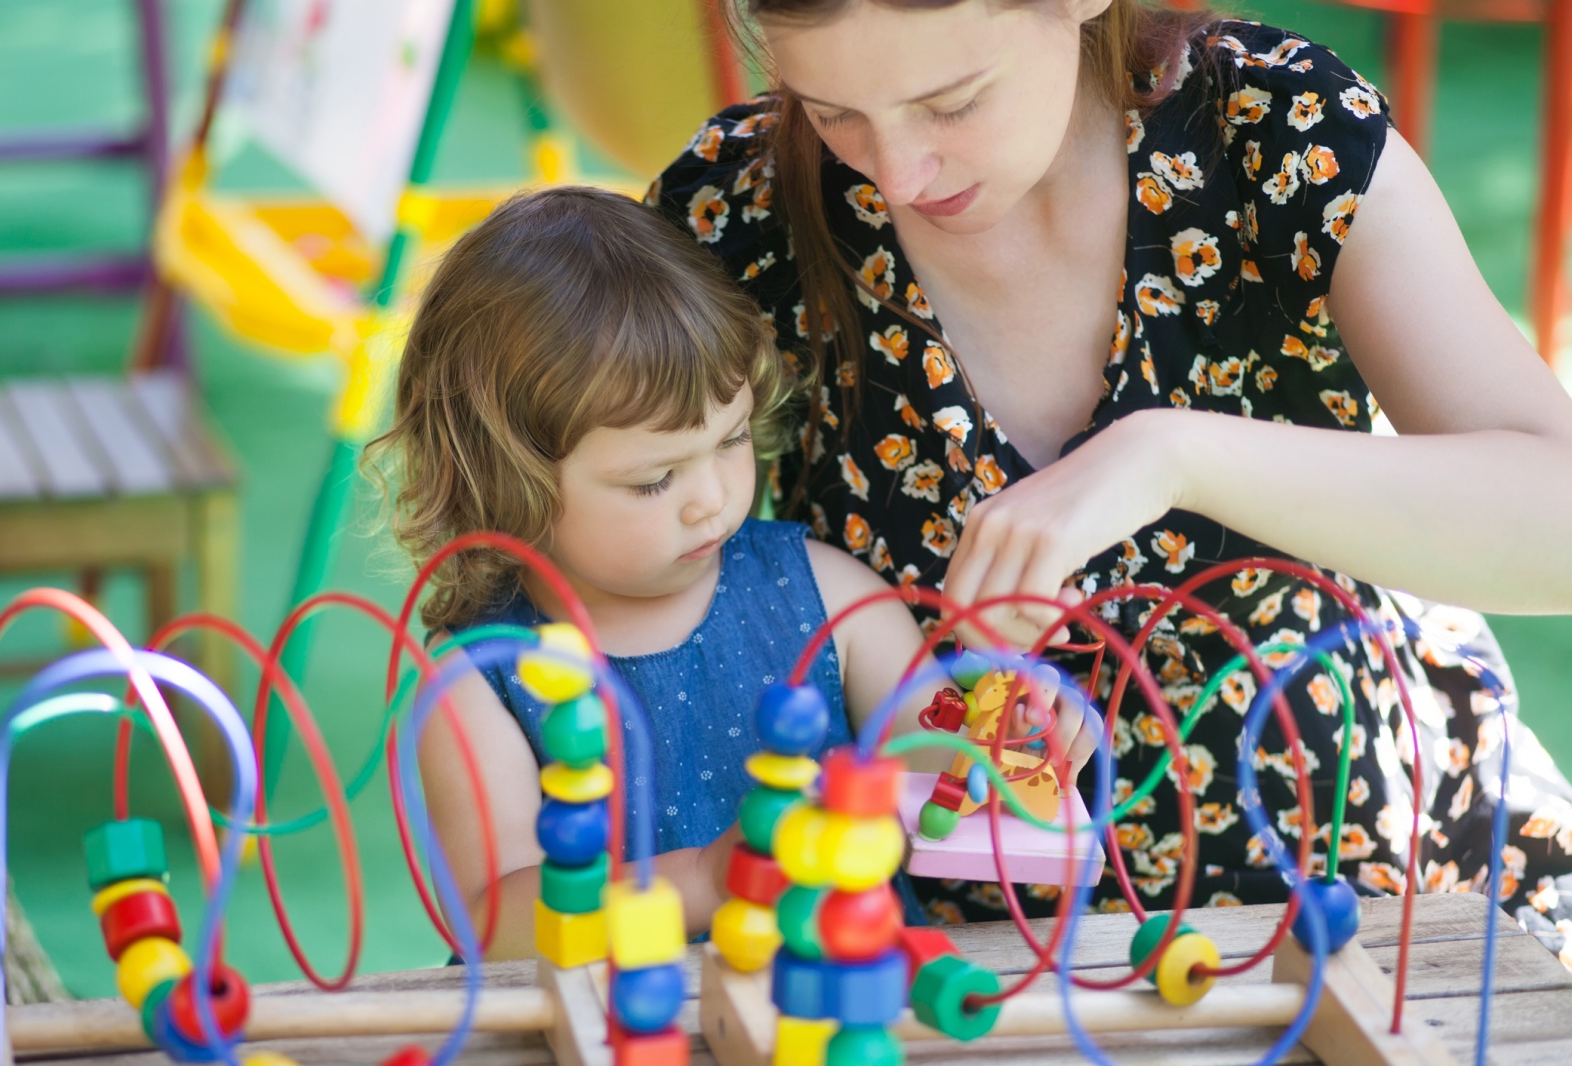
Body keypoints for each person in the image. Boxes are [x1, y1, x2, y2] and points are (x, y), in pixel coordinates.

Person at [649, 0, 1572, 952]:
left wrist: (1173, 455)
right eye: (832, 111)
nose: (896, 174)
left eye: (953, 103)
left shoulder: (1274, 131)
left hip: (1350, 881)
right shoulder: (740, 210)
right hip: (933, 941)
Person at [368, 187, 1075, 958]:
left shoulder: (829, 597)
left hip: (840, 997)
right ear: (507, 483)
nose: (712, 500)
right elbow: (494, 920)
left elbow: (931, 765)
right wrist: (707, 878)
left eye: (732, 439)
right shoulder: (481, 680)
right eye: (654, 480)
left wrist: (1001, 740)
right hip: (605, 1015)